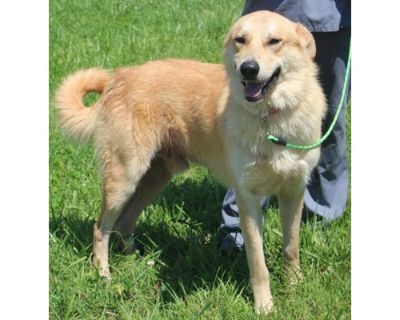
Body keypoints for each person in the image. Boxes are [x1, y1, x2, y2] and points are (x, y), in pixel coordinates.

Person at [219, 0, 351, 251]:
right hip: (273, 5)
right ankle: (237, 223)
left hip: (336, 12)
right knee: (247, 122)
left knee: (330, 120)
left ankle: (322, 215)